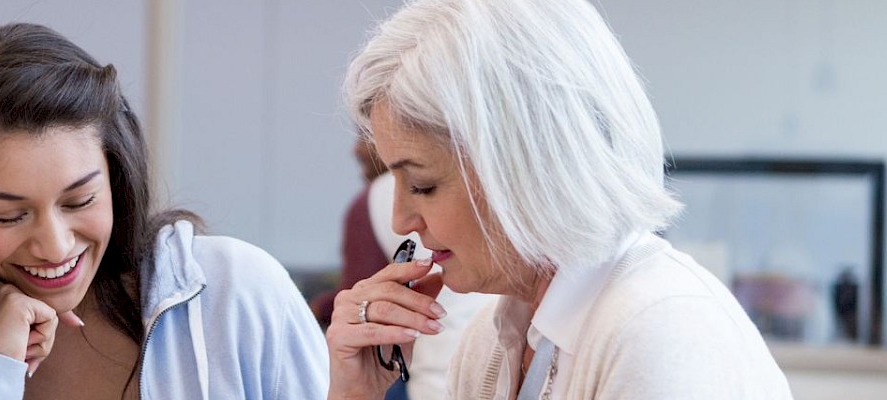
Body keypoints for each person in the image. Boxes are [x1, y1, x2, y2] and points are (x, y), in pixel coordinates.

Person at [0, 23, 328, 400]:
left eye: (80, 201)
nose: (57, 246)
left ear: (116, 179)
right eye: (9, 217)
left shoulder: (235, 295)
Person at [325, 0, 793, 398]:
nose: (402, 220)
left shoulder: (662, 332)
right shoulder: (491, 341)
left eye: (421, 184)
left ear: (527, 165)